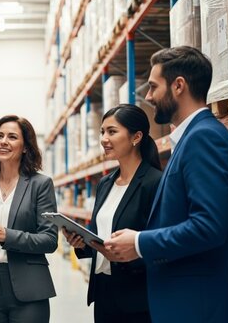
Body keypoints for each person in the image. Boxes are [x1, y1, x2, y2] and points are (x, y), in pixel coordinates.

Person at [105, 46, 228, 322]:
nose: (149, 97)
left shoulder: (204, 139)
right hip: (192, 302)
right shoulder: (193, 138)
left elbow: (208, 227)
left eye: (153, 87)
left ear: (179, 86)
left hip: (202, 305)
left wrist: (140, 242)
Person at [63, 104, 161, 323]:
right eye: (102, 132)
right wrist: (82, 243)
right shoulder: (106, 183)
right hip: (104, 291)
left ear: (136, 137)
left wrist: (124, 256)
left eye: (112, 131)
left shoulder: (154, 182)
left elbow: (160, 242)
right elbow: (102, 235)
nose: (104, 139)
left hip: (137, 296)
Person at [0, 115, 58, 323]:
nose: (4, 141)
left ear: (25, 147)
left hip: (29, 287)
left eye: (12, 137)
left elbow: (50, 240)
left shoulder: (40, 185)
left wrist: (8, 235)